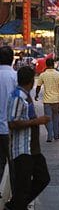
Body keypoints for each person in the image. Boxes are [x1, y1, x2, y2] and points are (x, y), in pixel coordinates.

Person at [7, 66, 50, 210]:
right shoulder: (18, 97)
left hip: (32, 148)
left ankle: (17, 205)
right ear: (31, 81)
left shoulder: (25, 96)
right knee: (22, 186)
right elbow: (13, 122)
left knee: (43, 177)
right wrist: (37, 122)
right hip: (22, 148)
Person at [35, 57, 59, 142]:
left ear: (46, 65)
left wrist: (36, 95)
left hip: (47, 101)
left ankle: (49, 136)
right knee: (56, 118)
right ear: (53, 64)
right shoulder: (58, 74)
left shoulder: (43, 75)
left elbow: (38, 86)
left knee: (48, 119)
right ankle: (56, 135)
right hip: (56, 100)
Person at [0, 45, 17, 196]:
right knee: (13, 164)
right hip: (9, 129)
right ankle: (16, 198)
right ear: (12, 60)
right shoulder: (15, 77)